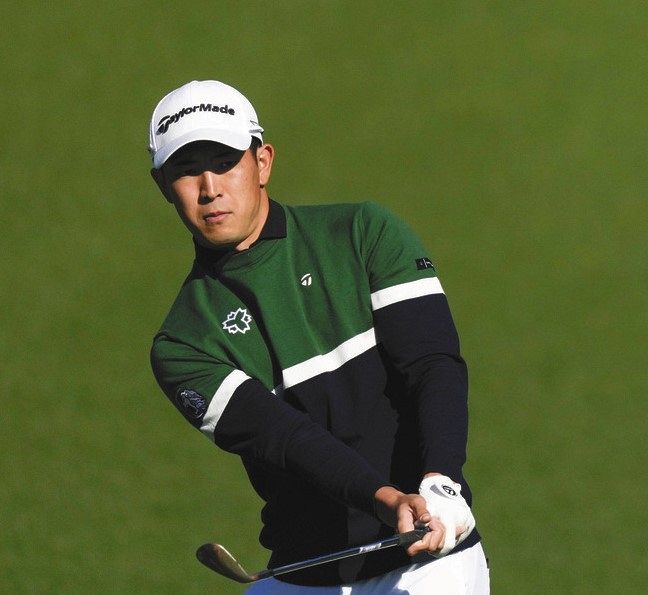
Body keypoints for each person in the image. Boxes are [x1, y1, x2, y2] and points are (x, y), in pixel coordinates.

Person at [147, 80, 488, 594]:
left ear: (262, 162)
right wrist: (386, 500)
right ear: (162, 185)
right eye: (187, 170)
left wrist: (440, 484)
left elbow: (433, 363)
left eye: (225, 162)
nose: (210, 187)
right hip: (304, 573)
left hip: (431, 562)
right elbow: (288, 439)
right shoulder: (183, 344)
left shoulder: (363, 233)